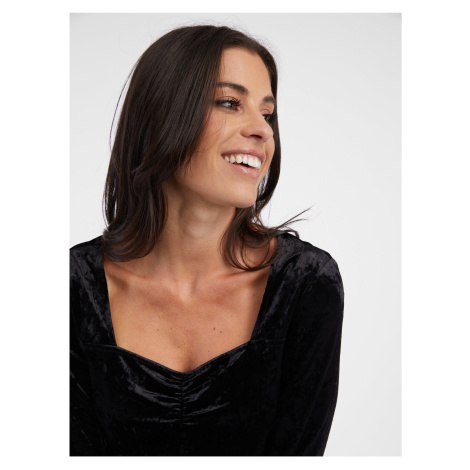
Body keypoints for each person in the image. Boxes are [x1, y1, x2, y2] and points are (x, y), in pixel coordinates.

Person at [70, 24, 344, 456]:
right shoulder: (74, 288)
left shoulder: (307, 285)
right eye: (230, 103)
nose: (263, 131)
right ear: (161, 115)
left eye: (267, 114)